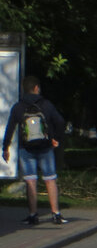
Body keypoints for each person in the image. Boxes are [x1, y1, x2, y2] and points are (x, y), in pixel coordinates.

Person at [3, 76, 68, 225]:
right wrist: (56, 138)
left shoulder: (18, 107)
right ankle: (56, 214)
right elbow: (60, 121)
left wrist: (5, 148)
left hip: (26, 149)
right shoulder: (47, 105)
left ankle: (33, 215)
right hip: (46, 148)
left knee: (30, 181)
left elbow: (10, 128)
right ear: (37, 88)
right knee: (50, 179)